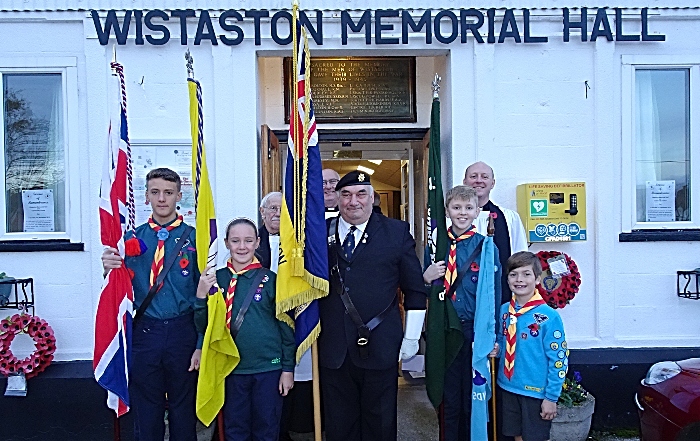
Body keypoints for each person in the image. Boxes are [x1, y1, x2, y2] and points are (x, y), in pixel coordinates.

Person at [320, 170, 427, 441]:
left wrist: (412, 336)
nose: (353, 201)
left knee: (379, 424)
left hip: (380, 343)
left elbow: (414, 289)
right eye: (345, 195)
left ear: (371, 198)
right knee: (338, 426)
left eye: (360, 194)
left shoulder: (396, 232)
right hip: (333, 347)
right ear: (337, 198)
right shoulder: (319, 233)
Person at [101, 167, 201, 441]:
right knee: (147, 407)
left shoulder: (195, 238)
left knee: (183, 406)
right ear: (146, 196)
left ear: (179, 196)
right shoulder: (131, 239)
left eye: (168, 193)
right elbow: (117, 289)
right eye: (155, 192)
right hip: (146, 331)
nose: (162, 199)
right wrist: (108, 267)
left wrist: (200, 343)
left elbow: (204, 296)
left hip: (183, 330)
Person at [196, 217, 295, 441]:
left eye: (248, 240)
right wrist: (201, 296)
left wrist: (287, 368)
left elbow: (286, 328)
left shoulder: (271, 281)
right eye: (236, 240)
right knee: (234, 428)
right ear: (226, 242)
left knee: (267, 428)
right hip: (230, 368)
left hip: (267, 368)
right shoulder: (216, 279)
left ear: (258, 242)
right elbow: (203, 325)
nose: (242, 246)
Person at [423, 185, 501, 441]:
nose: (463, 213)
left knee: (473, 394)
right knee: (449, 395)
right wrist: (425, 278)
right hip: (445, 329)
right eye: (457, 207)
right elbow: (423, 288)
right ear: (447, 210)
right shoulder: (436, 246)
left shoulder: (487, 247)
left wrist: (495, 337)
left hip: (473, 330)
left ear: (478, 211)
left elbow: (495, 293)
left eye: (469, 208)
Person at [496, 252, 567, 441]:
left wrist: (551, 397)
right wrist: (497, 350)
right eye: (514, 274)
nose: (519, 280)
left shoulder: (549, 316)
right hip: (509, 386)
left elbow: (559, 359)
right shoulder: (504, 310)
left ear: (537, 279)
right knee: (516, 435)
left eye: (526, 274)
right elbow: (505, 343)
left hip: (535, 392)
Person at [463, 161, 528, 305]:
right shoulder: (451, 219)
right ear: (465, 182)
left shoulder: (510, 218)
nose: (479, 180)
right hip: (463, 298)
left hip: (499, 295)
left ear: (492, 183)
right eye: (473, 176)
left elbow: (521, 259)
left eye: (484, 177)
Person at [256, 191, 282, 271]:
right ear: (262, 211)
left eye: (282, 209)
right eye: (273, 208)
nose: (278, 214)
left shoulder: (294, 241)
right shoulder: (252, 240)